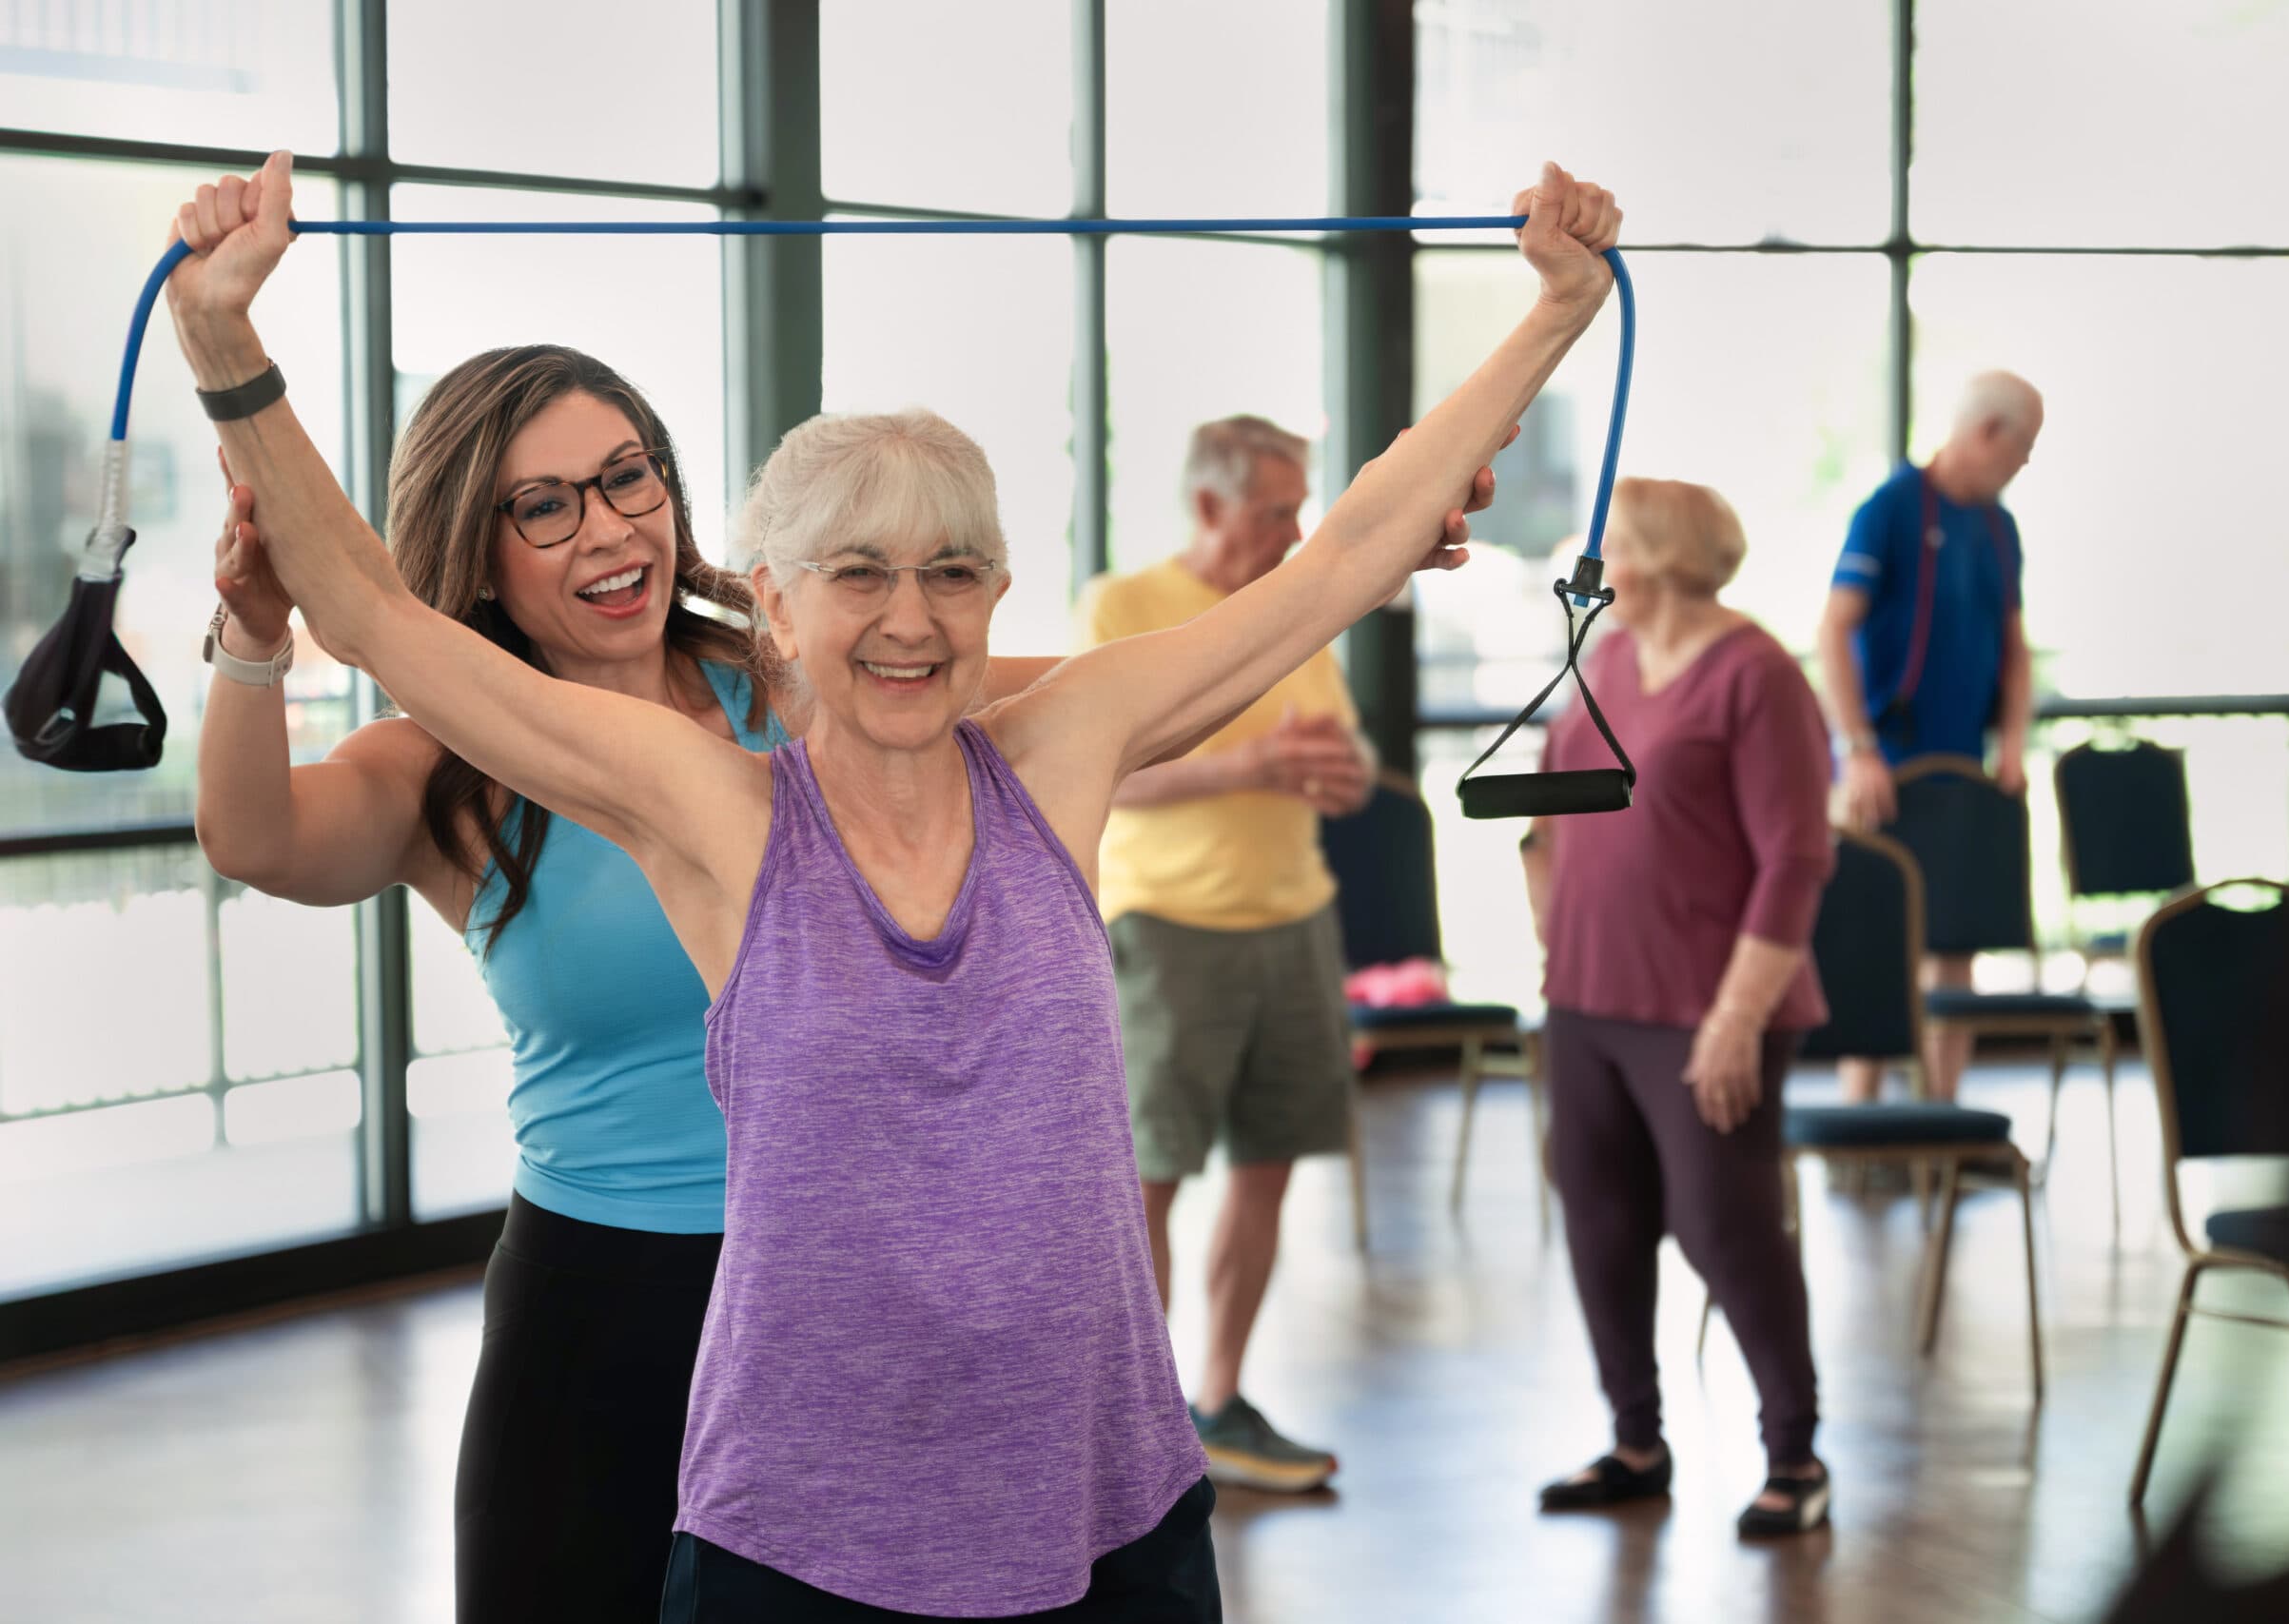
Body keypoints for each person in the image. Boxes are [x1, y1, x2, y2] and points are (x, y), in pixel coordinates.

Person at [167, 149, 1618, 1618]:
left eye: (954, 571)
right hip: (769, 1442)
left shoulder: (1057, 739)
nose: (911, 618)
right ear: (779, 599)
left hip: (1083, 1457)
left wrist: (1554, 310)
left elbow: (1340, 552)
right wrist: (227, 345)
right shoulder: (702, 805)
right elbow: (364, 607)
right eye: (858, 573)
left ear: (998, 588)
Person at [196, 342, 1063, 1621]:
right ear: (477, 545)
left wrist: (1358, 571)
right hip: (602, 1307)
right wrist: (257, 631)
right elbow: (255, 835)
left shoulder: (805, 685)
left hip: (839, 1280)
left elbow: (1094, 701)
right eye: (545, 504)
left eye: (627, 477)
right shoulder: (443, 768)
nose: (607, 527)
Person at [1078, 414, 1389, 1494]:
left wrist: (1338, 776)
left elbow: (1340, 757)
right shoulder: (1123, 608)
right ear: (1208, 508)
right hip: (1169, 929)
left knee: (1268, 1169)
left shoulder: (1295, 617)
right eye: (1275, 512)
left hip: (1295, 921)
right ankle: (1133, 1423)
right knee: (1149, 1180)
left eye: (1303, 510)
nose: (1295, 532)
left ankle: (1216, 1401)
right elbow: (1101, 771)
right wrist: (1247, 765)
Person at [1522, 479, 1834, 1536]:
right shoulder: (1604, 659)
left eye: (1607, 537)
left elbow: (1796, 857)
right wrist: (1548, 932)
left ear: (1651, 558)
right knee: (1602, 1225)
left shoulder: (1756, 674)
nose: (1588, 551)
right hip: (1587, 997)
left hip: (1707, 1008)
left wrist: (1739, 1016)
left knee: (1723, 1226)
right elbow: (1550, 801)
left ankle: (1793, 1454)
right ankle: (1633, 1441)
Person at [1817, 371, 2042, 1104]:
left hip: (1961, 772)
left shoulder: (1998, 527)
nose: (2024, 465)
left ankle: (1942, 1119)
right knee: (1879, 944)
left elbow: (2014, 647)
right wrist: (1858, 746)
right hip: (1885, 769)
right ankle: (1860, 1115)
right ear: (1987, 434)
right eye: (2022, 449)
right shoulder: (1890, 509)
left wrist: (2011, 742)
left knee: (1955, 948)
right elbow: (1833, 627)